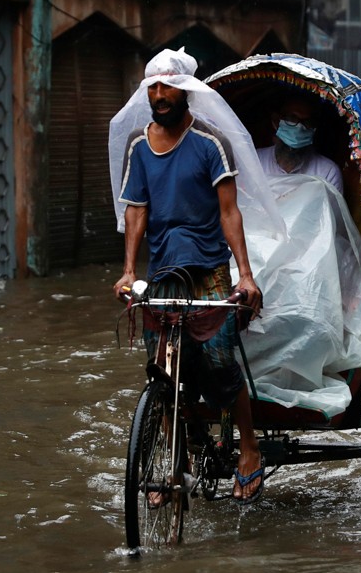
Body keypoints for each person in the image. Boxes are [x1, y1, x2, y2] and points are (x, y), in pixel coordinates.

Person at [110, 48, 267, 505]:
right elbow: (135, 210)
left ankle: (249, 448)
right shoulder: (139, 146)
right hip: (163, 273)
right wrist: (126, 272)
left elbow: (229, 211)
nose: (159, 96)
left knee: (220, 361)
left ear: (186, 91)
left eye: (168, 87)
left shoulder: (210, 142)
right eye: (152, 88)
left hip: (209, 270)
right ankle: (173, 458)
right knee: (163, 369)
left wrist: (246, 274)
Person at [257, 96, 345, 195]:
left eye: (307, 122)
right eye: (292, 119)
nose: (299, 128)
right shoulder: (255, 160)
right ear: (276, 121)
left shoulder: (327, 172)